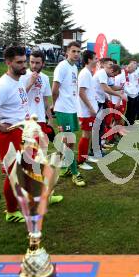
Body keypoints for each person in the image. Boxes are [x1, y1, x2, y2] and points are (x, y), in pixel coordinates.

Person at [0, 46, 61, 223]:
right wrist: (0, 127)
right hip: (11, 135)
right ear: (8, 62)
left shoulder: (18, 80)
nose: (25, 65)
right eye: (20, 62)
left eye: (25, 61)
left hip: (25, 132)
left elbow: (20, 98)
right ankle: (11, 211)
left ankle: (40, 196)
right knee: (15, 175)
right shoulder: (3, 85)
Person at [52, 41, 85, 187]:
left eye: (78, 51)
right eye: (74, 51)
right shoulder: (62, 67)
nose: (76, 54)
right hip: (63, 110)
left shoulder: (74, 67)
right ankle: (75, 172)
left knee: (68, 142)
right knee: (70, 141)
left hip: (71, 109)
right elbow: (55, 89)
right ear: (67, 52)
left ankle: (64, 167)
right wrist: (55, 106)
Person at [20, 50, 56, 142]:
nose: (34, 66)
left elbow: (45, 101)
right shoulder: (22, 76)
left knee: (39, 150)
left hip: (40, 118)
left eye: (37, 63)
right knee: (27, 150)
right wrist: (31, 82)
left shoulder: (45, 78)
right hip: (26, 118)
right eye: (32, 62)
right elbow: (19, 97)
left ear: (43, 63)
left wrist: (51, 119)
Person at [77, 50, 99, 170]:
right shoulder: (85, 73)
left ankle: (85, 156)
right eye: (95, 58)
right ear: (89, 60)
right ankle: (81, 160)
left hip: (89, 110)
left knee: (89, 133)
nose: (97, 60)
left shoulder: (88, 73)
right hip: (86, 111)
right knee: (86, 134)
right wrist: (90, 108)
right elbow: (81, 92)